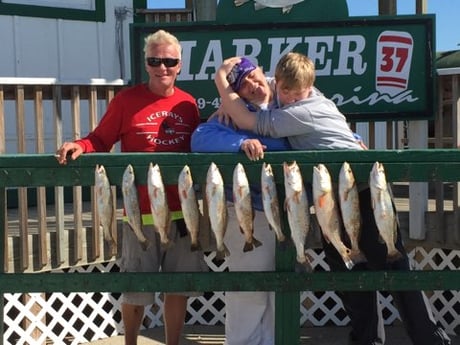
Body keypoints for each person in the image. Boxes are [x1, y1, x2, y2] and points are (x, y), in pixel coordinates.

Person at [214, 52, 451, 345]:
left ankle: (430, 339)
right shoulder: (293, 90)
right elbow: (266, 86)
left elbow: (248, 119)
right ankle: (366, 341)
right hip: (331, 197)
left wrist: (220, 79)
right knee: (349, 272)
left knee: (394, 269)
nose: (286, 97)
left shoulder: (301, 111)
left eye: (295, 93)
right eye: (284, 90)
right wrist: (223, 106)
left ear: (308, 89)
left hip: (363, 192)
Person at [55, 29, 208, 345]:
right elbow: (100, 139)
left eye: (169, 61)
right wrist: (80, 145)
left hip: (182, 215)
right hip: (141, 216)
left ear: (180, 65)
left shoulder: (189, 104)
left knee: (177, 289)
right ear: (146, 63)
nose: (162, 68)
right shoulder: (126, 100)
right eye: (155, 60)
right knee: (135, 289)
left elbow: (201, 147)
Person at [191, 57, 290, 345]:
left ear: (262, 71)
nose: (251, 84)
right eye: (242, 85)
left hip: (287, 210)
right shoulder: (231, 114)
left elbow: (321, 127)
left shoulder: (289, 100)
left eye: (252, 75)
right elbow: (201, 138)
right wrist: (239, 144)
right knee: (249, 288)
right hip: (250, 210)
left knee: (280, 288)